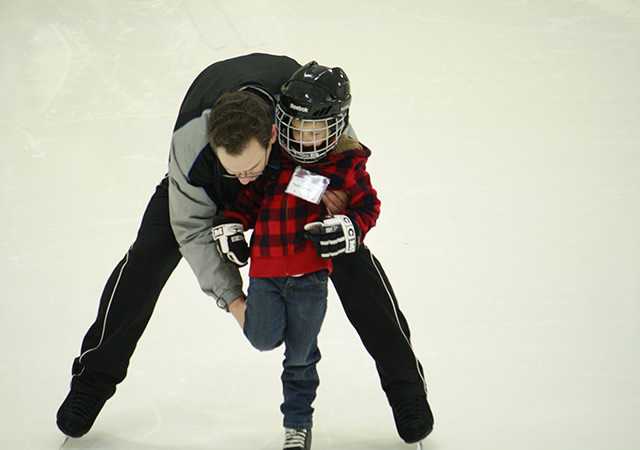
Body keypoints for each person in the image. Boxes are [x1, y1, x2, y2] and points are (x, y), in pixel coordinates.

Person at [56, 53, 433, 444]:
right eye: (234, 170)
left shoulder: (307, 108)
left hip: (288, 180)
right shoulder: (192, 146)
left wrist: (339, 211)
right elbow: (189, 228)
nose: (243, 178)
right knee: (145, 261)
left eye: (250, 168)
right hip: (208, 194)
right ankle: (90, 385)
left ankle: (407, 391)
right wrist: (234, 299)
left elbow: (347, 172)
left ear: (275, 133)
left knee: (355, 265)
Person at [210, 62, 380, 450]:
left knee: (301, 358)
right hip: (265, 274)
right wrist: (231, 225)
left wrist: (350, 227)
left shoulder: (347, 164)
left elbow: (368, 206)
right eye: (298, 128)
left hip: (309, 279)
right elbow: (247, 201)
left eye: (315, 130)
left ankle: (297, 425)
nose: (303, 138)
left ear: (335, 126)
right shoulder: (273, 160)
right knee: (262, 337)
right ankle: (274, 340)